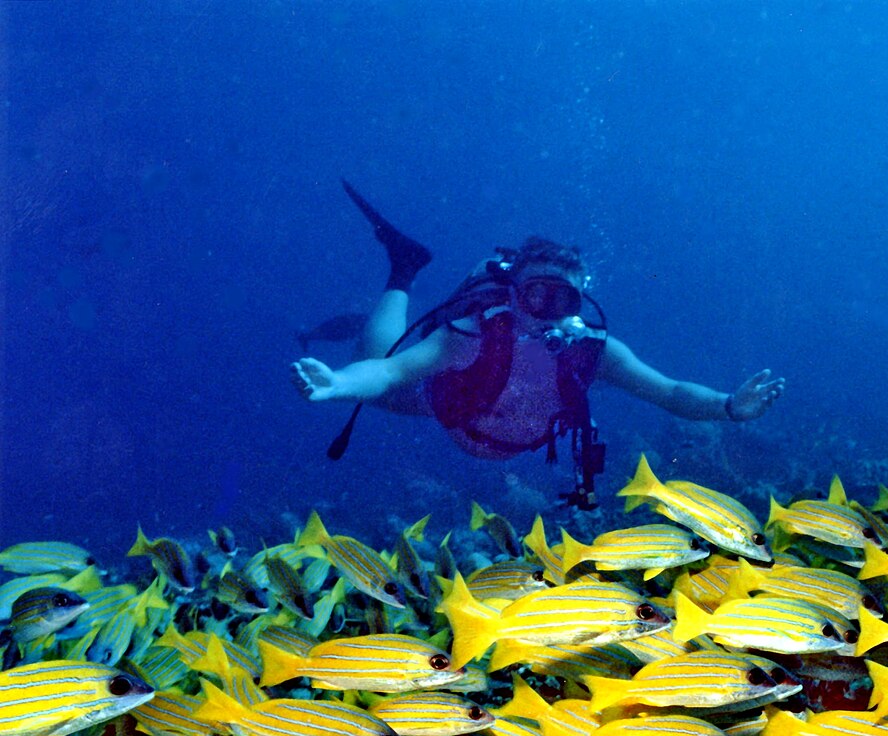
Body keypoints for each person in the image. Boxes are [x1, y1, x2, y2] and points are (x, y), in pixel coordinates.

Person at [291, 182, 785, 508]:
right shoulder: (473, 336)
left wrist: (727, 407)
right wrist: (338, 383)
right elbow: (390, 373)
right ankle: (404, 269)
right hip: (446, 412)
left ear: (580, 300)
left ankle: (402, 272)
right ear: (513, 293)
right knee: (374, 371)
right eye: (536, 293)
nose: (546, 309)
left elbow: (671, 392)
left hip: (490, 433)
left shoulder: (593, 352)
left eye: (562, 297)